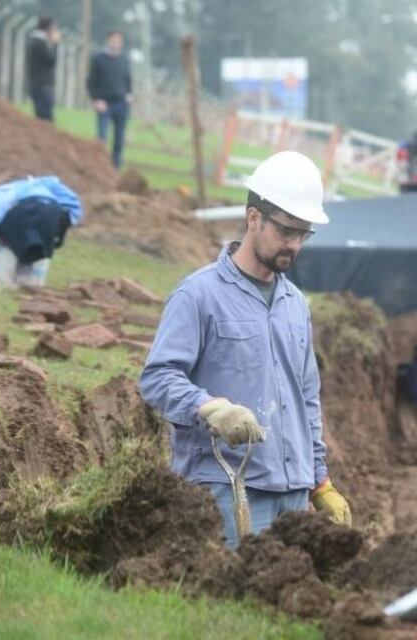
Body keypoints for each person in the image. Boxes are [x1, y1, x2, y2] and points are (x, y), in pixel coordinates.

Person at [139, 151, 351, 550]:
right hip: (227, 487)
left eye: (303, 234)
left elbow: (306, 401)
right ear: (254, 218)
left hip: (293, 489)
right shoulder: (198, 296)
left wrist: (319, 481)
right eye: (286, 231)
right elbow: (157, 378)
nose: (294, 245)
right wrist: (210, 408)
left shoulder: (295, 305)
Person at [0, 175, 82, 289]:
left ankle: (1, 281)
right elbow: (72, 212)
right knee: (39, 244)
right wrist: (58, 238)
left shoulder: (2, 193)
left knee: (9, 240)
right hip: (52, 214)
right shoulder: (55, 190)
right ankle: (31, 283)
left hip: (21, 212)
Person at [86, 30, 132, 168]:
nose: (116, 43)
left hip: (121, 104)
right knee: (102, 137)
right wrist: (96, 100)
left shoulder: (124, 60)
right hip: (104, 104)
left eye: (119, 40)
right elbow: (91, 82)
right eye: (113, 40)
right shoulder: (98, 59)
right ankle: (99, 166)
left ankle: (115, 169)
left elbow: (128, 80)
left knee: (119, 139)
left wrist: (129, 94)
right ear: (108, 41)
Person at [25, 17, 59, 121]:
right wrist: (55, 44)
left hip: (37, 84)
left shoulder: (34, 41)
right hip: (42, 84)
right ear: (48, 28)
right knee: (46, 117)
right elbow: (51, 61)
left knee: (42, 116)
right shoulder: (39, 43)